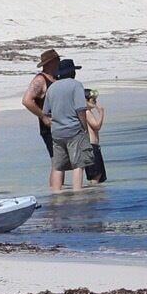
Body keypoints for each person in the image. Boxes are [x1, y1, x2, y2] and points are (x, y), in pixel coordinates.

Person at [43, 59, 89, 191]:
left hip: (57, 132)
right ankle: (77, 193)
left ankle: (56, 194)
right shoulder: (76, 85)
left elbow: (46, 112)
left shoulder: (52, 87)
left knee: (58, 166)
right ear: (72, 72)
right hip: (74, 130)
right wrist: (84, 127)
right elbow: (81, 109)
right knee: (78, 164)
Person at [21, 48, 59, 161]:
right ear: (51, 63)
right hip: (49, 127)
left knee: (63, 161)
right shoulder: (40, 80)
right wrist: (43, 116)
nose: (59, 62)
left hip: (60, 126)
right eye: (57, 60)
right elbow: (26, 101)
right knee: (57, 161)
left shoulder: (55, 78)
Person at [79, 86, 108, 185]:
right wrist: (101, 114)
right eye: (93, 100)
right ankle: (94, 193)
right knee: (96, 173)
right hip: (91, 145)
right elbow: (96, 126)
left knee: (98, 173)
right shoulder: (87, 112)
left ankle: (95, 193)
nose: (95, 102)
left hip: (94, 145)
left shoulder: (87, 112)